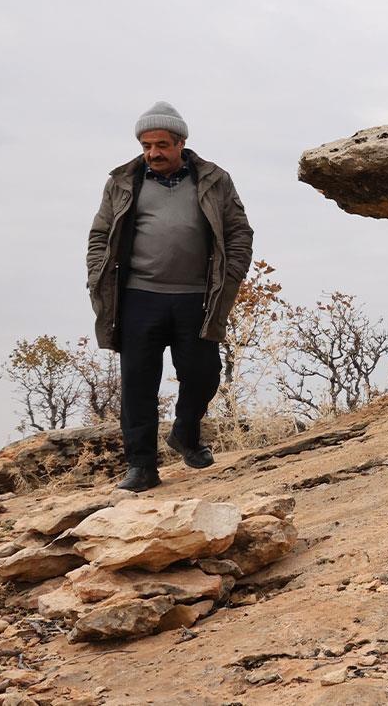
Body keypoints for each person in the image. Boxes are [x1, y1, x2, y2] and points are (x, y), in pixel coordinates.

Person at [86, 102, 253, 491]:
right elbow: (99, 235)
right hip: (138, 298)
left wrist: (229, 279)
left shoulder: (214, 179)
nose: (153, 153)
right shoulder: (123, 182)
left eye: (161, 144)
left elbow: (239, 232)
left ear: (180, 143)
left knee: (203, 375)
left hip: (196, 296)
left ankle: (186, 433)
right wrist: (97, 274)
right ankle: (141, 466)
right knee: (138, 384)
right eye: (146, 145)